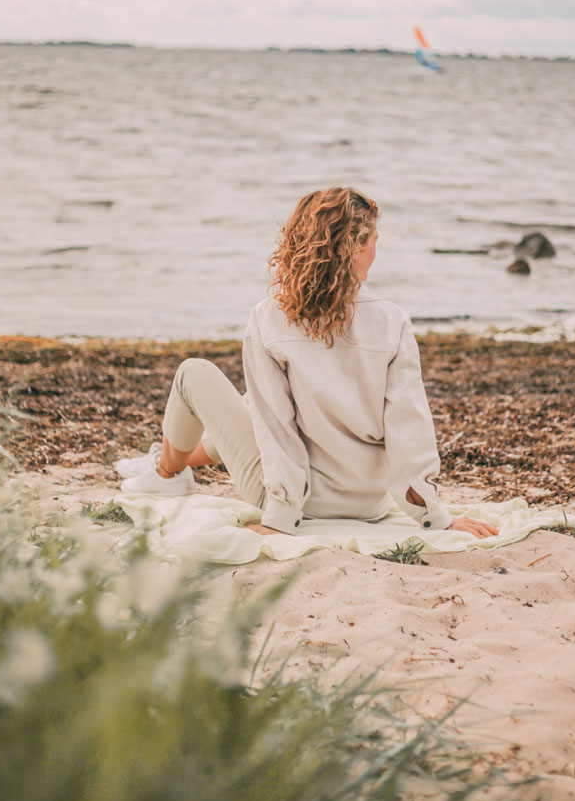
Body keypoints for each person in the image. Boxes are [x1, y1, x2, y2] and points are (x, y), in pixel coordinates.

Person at [118, 187, 497, 540]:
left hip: (300, 503)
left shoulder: (267, 318)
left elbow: (277, 428)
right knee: (258, 399)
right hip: (369, 503)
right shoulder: (393, 322)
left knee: (194, 373)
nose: (375, 253)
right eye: (373, 243)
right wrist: (433, 517)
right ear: (353, 249)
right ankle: (166, 464)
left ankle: (167, 472)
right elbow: (408, 427)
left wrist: (281, 521)